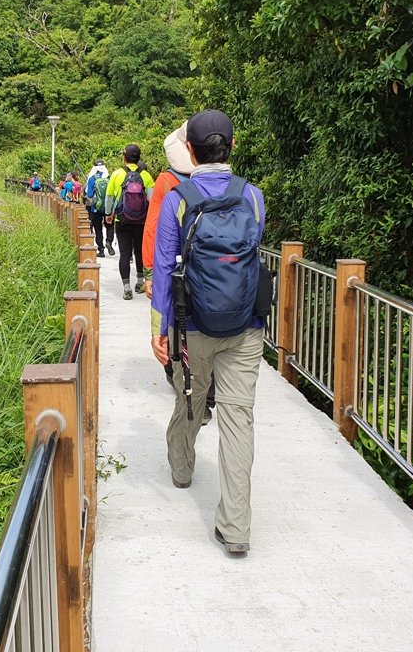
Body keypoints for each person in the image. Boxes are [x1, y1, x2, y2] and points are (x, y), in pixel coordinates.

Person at [150, 109, 266, 556]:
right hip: (245, 326)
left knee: (189, 397)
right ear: (232, 147)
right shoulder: (254, 197)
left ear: (192, 152)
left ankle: (181, 469)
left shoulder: (179, 198)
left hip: (193, 324)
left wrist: (164, 326)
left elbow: (164, 266)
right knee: (239, 419)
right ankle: (236, 529)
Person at [145, 123, 216, 425]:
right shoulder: (222, 183)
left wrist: (149, 270)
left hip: (177, 273)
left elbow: (154, 227)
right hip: (214, 275)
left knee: (176, 330)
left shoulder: (167, 181)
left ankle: (183, 385)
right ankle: (208, 399)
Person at [105, 144, 155, 300]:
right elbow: (152, 200)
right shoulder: (146, 175)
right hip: (141, 221)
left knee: (125, 253)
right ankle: (140, 282)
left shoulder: (117, 174)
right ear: (139, 157)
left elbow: (109, 197)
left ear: (124, 157)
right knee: (140, 251)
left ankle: (126, 288)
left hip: (122, 220)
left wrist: (108, 214)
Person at [84, 159, 114, 257]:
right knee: (109, 225)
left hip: (95, 208)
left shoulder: (92, 178)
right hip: (107, 206)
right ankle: (109, 241)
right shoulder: (109, 177)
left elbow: (88, 194)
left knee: (98, 228)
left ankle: (101, 250)